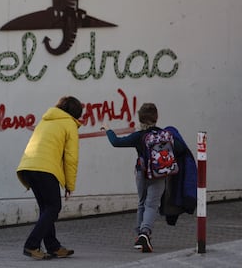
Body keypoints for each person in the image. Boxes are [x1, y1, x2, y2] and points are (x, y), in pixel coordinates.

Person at [101, 103, 185, 253]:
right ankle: (145, 233)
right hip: (159, 174)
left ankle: (140, 235)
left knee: (141, 203)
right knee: (152, 205)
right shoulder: (164, 135)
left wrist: (108, 129)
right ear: (156, 117)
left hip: (142, 172)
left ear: (140, 118)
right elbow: (181, 148)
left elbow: (116, 142)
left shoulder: (138, 136)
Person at [16, 96, 83, 260]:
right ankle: (31, 245)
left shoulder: (45, 120)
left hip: (28, 167)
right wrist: (69, 185)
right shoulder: (69, 125)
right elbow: (71, 158)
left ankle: (53, 246)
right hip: (45, 169)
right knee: (53, 208)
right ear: (76, 114)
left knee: (46, 209)